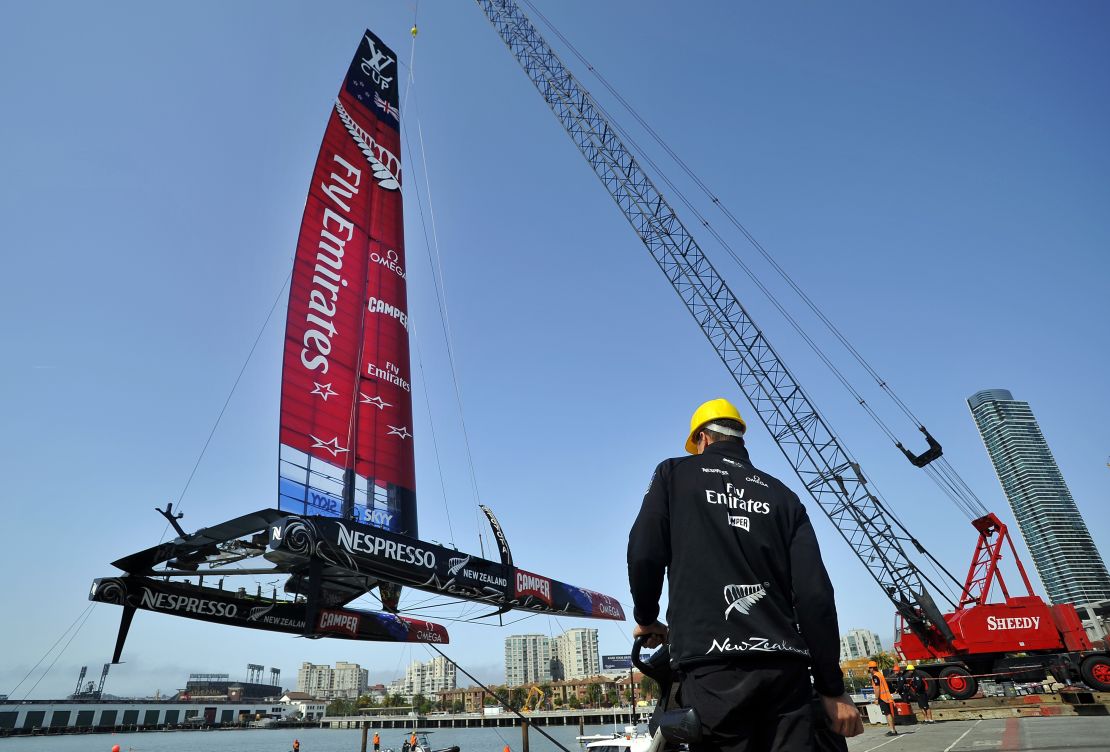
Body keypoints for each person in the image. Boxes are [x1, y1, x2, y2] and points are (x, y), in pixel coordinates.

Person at [628, 398, 863, 751]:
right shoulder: (783, 496)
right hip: (786, 672)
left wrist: (647, 618)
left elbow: (644, 552)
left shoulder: (674, 474)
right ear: (740, 438)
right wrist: (831, 687)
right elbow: (815, 595)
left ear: (702, 439)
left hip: (712, 667)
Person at [867, 662, 897, 737]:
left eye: (869, 668)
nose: (869, 670)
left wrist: (876, 698)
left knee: (887, 714)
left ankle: (892, 730)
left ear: (872, 668)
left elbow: (877, 688)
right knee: (889, 713)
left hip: (883, 698)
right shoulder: (880, 674)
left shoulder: (875, 676)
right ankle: (893, 729)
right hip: (887, 697)